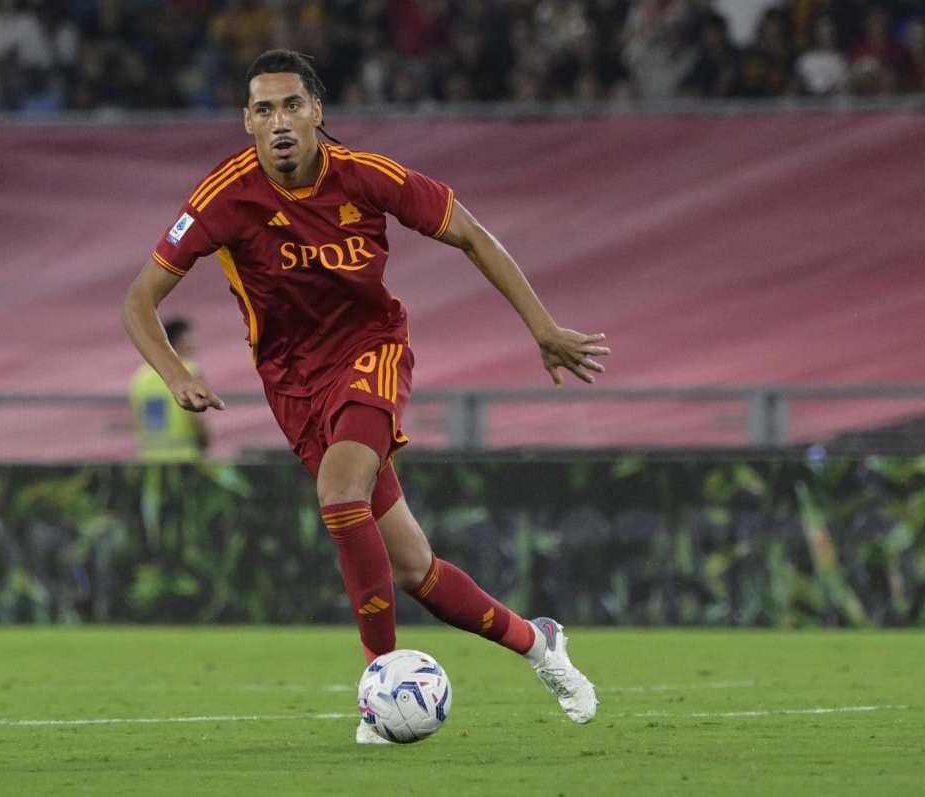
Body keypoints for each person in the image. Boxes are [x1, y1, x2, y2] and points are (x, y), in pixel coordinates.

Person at [122, 49, 607, 743]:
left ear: (317, 112)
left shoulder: (367, 175)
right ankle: (540, 643)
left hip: (371, 353)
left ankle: (379, 687)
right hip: (292, 385)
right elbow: (140, 300)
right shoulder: (223, 196)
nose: (280, 121)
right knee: (414, 569)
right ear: (248, 122)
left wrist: (543, 328)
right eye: (264, 109)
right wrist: (176, 375)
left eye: (292, 105)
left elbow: (471, 234)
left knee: (339, 491)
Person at [129, 318, 210, 462]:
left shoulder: (141, 377)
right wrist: (205, 442)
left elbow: (138, 419)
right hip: (184, 456)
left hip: (150, 456)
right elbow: (196, 416)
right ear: (181, 342)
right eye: (191, 340)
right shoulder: (189, 371)